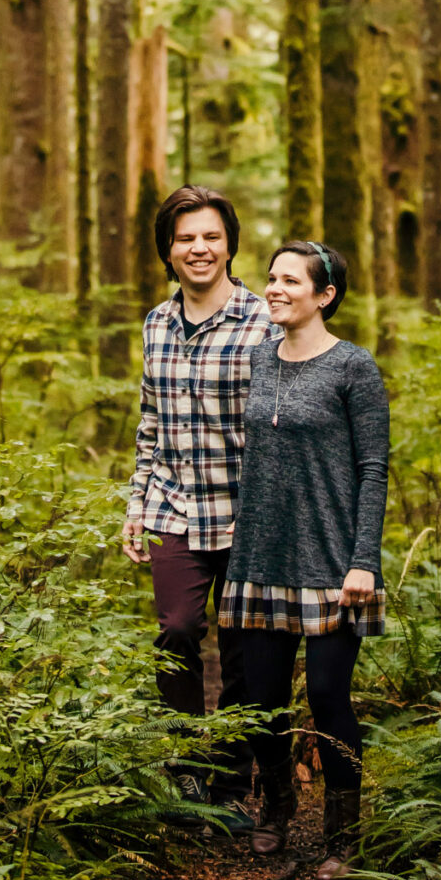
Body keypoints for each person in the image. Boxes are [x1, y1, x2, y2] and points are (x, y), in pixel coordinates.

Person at [219, 239, 390, 880]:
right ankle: (278, 807)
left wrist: (363, 561)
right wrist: (246, 507)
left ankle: (342, 835)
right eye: (271, 278)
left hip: (332, 560)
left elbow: (372, 469)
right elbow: (257, 452)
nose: (275, 288)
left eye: (291, 280)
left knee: (326, 697)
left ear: (325, 295)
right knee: (261, 703)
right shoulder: (261, 360)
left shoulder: (354, 368)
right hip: (261, 554)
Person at [123, 183, 276, 823]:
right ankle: (187, 774)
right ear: (167, 249)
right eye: (186, 238)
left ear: (230, 245)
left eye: (211, 236)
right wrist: (136, 504)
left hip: (247, 514)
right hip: (172, 509)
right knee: (177, 632)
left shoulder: (264, 322)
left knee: (243, 651)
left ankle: (231, 785)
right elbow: (150, 422)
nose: (199, 248)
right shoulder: (157, 324)